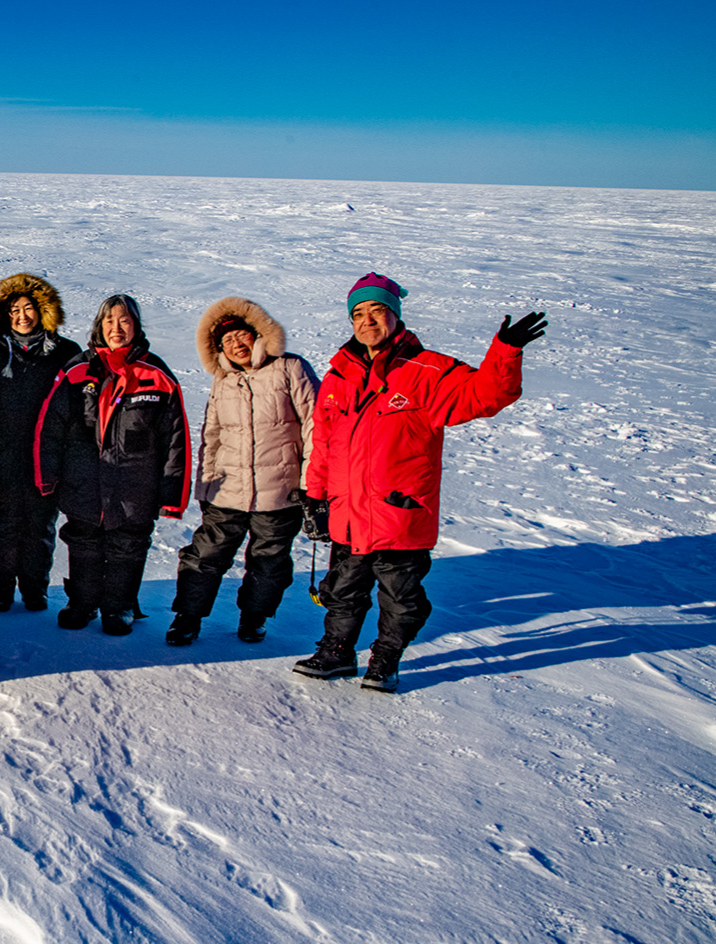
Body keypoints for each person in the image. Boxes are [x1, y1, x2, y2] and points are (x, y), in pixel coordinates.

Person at [294, 272, 546, 692]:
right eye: (358, 313)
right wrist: (316, 497)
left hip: (399, 512)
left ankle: (385, 660)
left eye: (377, 310)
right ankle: (336, 653)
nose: (367, 320)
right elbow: (324, 443)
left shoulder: (426, 371)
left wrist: (506, 351)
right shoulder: (339, 377)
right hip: (348, 513)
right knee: (342, 591)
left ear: (395, 315)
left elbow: (485, 396)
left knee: (401, 598)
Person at [166, 297, 320, 646]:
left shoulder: (290, 369)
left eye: (240, 335)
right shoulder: (224, 381)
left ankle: (254, 618)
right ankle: (186, 618)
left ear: (257, 334)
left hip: (280, 492)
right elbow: (212, 436)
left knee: (269, 563)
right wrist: (205, 488)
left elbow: (317, 427)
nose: (236, 345)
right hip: (227, 491)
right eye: (226, 342)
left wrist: (311, 482)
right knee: (204, 556)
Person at [36, 295, 190, 636]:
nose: (116, 328)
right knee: (84, 541)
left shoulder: (156, 375)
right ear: (99, 326)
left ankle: (120, 607)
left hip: (135, 484)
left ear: (135, 327)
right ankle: (83, 603)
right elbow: (50, 429)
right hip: (83, 481)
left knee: (128, 545)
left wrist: (172, 495)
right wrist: (48, 476)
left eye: (124, 321)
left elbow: (176, 441)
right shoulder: (77, 371)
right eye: (109, 321)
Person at [0, 273, 81, 612]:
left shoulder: (66, 353)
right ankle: (3, 587)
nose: (22, 316)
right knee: (3, 525)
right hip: (1, 457)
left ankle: (36, 588)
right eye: (14, 310)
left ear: (43, 311)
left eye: (29, 308)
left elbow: (78, 410)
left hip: (47, 457)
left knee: (40, 524)